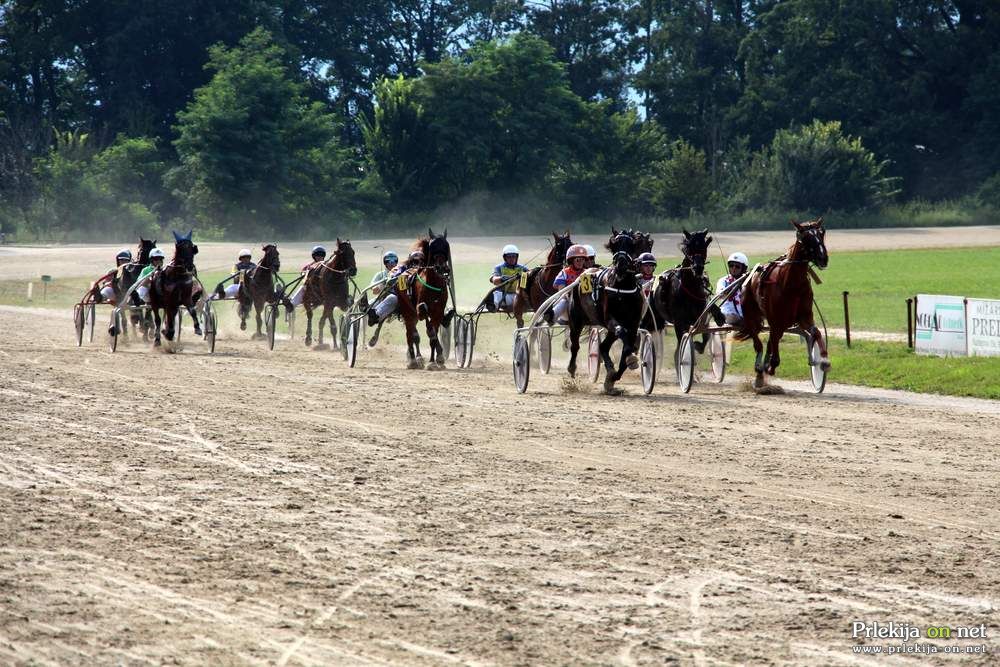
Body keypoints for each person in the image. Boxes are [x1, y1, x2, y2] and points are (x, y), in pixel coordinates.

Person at [368, 250, 424, 325]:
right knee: (370, 304)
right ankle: (368, 311)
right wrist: (383, 284)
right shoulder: (399, 272)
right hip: (384, 297)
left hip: (400, 299)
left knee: (393, 298)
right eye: (388, 260)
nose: (391, 262)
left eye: (394, 260)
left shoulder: (418, 274)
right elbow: (374, 291)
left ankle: (375, 315)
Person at [551, 244, 589, 324]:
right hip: (567, 307)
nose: (581, 262)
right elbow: (562, 292)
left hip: (582, 305)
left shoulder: (586, 273)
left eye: (582, 260)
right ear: (572, 260)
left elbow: (587, 292)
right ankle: (552, 318)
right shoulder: (564, 272)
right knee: (564, 301)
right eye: (578, 260)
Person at [487, 244, 528, 312]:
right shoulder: (499, 267)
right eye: (509, 257)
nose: (512, 259)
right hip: (505, 297)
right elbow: (494, 280)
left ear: (516, 257)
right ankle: (493, 307)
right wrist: (502, 278)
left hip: (519, 296)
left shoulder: (523, 268)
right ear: (505, 258)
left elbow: (530, 279)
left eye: (513, 256)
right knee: (496, 293)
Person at [716, 251, 748, 326]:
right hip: (728, 314)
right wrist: (726, 291)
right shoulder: (723, 281)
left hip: (744, 314)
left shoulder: (747, 281)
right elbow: (719, 294)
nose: (734, 268)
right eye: (731, 265)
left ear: (743, 268)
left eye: (737, 266)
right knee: (734, 318)